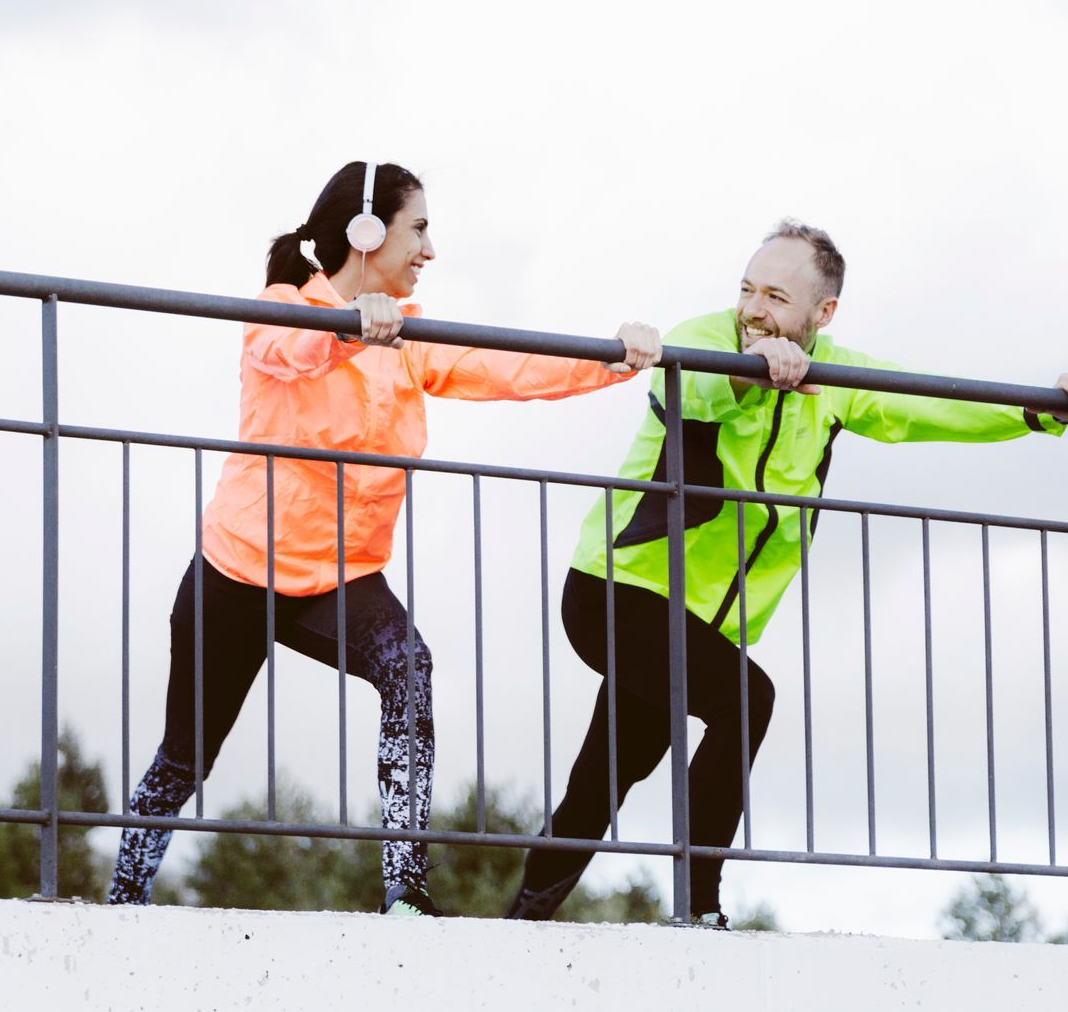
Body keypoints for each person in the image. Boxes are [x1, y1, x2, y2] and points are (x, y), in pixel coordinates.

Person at [504, 218, 1068, 927]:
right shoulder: (705, 339)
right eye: (747, 289)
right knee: (745, 699)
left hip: (699, 622)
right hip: (616, 588)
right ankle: (698, 910)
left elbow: (928, 404)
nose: (754, 309)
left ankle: (521, 923)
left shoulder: (836, 377)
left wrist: (1045, 407)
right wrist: (755, 376)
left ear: (823, 314)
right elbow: (694, 391)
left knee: (606, 774)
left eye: (776, 298)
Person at [108, 160, 661, 916]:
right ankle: (123, 899)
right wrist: (346, 328)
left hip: (340, 579)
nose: (430, 249)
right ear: (366, 231)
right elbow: (291, 352)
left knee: (410, 669)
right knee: (185, 756)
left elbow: (504, 367)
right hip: (236, 571)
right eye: (419, 229)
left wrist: (611, 356)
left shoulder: (408, 336)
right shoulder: (280, 308)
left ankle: (405, 888)